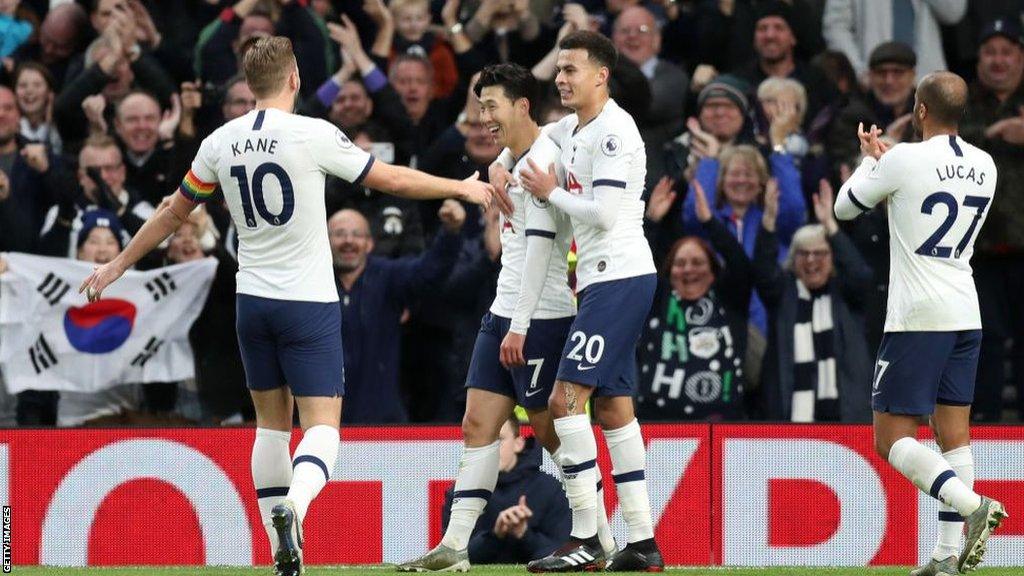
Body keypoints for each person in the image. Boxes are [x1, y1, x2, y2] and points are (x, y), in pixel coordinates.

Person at [78, 36, 497, 576]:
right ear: (295, 78)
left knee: (271, 429)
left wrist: (116, 266)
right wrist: (459, 188)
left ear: (249, 84)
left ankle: (280, 555)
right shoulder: (312, 134)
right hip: (307, 302)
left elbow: (172, 213)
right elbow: (388, 177)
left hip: (252, 303)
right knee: (323, 428)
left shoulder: (219, 141)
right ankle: (292, 511)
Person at [397, 63, 611, 572]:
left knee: (552, 432)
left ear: (522, 106)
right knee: (477, 426)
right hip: (503, 310)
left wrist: (519, 326)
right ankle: (454, 547)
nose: (482, 117)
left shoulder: (543, 162)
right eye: (479, 106)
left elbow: (539, 248)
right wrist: (501, 163)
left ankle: (599, 534)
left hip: (538, 317)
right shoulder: (515, 156)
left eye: (492, 106)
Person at [834, 72, 1008, 575]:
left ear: (920, 110)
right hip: (965, 310)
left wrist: (871, 159)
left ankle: (976, 509)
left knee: (890, 439)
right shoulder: (986, 163)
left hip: (917, 316)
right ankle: (945, 557)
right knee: (954, 436)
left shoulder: (903, 158)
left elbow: (845, 207)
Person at [520, 31, 662, 572]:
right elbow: (534, 139)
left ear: (601, 74)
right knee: (612, 408)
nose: (561, 78)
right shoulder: (571, 126)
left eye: (571, 69)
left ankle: (585, 539)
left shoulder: (613, 131)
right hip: (605, 282)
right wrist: (504, 165)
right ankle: (643, 542)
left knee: (564, 401)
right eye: (558, 69)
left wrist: (547, 192)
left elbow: (602, 214)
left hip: (620, 277)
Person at [756, 181, 873, 423]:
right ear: (792, 259)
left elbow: (861, 275)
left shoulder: (846, 294)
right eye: (803, 253)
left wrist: (830, 225)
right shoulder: (783, 293)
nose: (811, 260)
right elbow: (763, 272)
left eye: (819, 253)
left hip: (847, 419)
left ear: (832, 258)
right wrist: (768, 220)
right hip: (791, 421)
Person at [636, 180, 753, 421]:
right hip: (658, 425)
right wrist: (651, 221)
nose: (689, 270)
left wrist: (709, 222)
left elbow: (741, 265)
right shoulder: (656, 299)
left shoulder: (729, 301)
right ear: (669, 272)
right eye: (680, 264)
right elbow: (636, 267)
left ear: (713, 271)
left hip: (723, 427)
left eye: (698, 262)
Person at [439, 418, 572, 565]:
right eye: (485, 441)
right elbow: (452, 559)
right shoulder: (461, 492)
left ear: (518, 443)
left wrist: (524, 534)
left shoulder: (551, 490)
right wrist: (495, 536)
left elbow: (564, 557)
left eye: (499, 439)